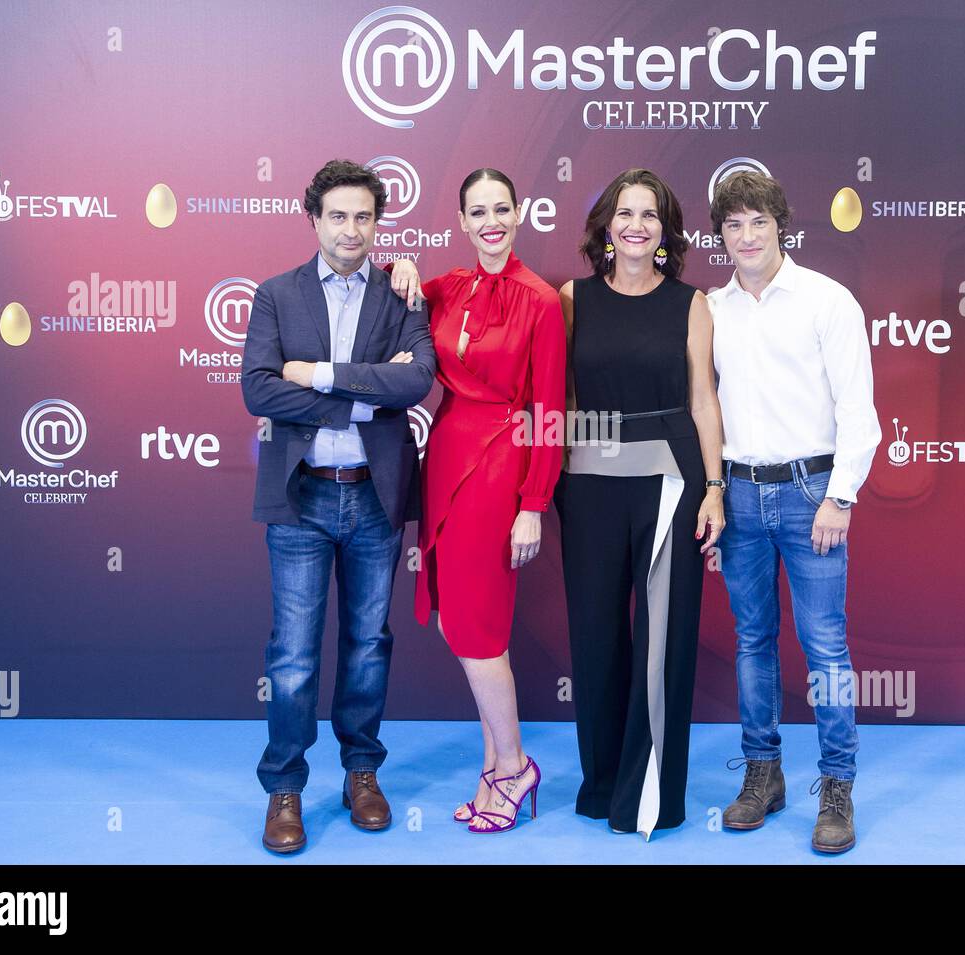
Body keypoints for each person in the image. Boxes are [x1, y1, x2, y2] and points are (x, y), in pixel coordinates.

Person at [241, 159, 435, 854]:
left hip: (375, 500)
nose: (351, 229)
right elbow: (260, 391)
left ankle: (361, 774)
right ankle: (285, 786)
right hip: (302, 501)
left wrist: (318, 376)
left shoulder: (400, 295)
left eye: (364, 216)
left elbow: (415, 381)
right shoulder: (275, 295)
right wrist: (364, 398)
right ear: (315, 219)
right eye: (338, 215)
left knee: (368, 646)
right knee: (293, 656)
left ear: (378, 222)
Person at [706, 170, 880, 853]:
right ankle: (763, 774)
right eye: (732, 225)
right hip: (741, 493)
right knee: (753, 641)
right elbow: (704, 407)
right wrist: (716, 490)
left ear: (781, 224)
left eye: (757, 222)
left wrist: (840, 496)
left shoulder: (826, 300)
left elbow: (857, 412)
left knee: (825, 645)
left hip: (813, 494)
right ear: (719, 234)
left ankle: (836, 787)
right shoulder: (712, 309)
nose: (746, 236)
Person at [554, 168, 725, 839]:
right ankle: (601, 785)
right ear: (606, 227)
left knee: (663, 643)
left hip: (671, 484)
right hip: (588, 482)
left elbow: (703, 400)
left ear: (665, 230)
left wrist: (715, 487)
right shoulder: (573, 298)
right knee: (595, 638)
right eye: (625, 213)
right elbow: (562, 397)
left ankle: (650, 794)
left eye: (650, 216)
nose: (636, 225)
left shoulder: (691, 303)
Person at [413, 168, 566, 833]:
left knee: (478, 629)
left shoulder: (540, 300)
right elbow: (390, 299)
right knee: (454, 619)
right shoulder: (444, 288)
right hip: (444, 454)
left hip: (498, 467)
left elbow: (551, 412)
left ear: (520, 212)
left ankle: (513, 766)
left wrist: (533, 501)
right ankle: (491, 764)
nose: (491, 221)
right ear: (462, 220)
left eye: (501, 208)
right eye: (478, 211)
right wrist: (397, 270)